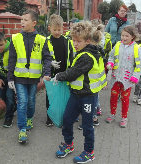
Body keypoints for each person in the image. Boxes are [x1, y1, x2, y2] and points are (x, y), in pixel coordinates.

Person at [52, 21, 106, 163]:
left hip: (88, 97)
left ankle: (89, 152)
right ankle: (69, 144)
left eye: (78, 41)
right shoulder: (82, 52)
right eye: (73, 40)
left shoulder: (86, 56)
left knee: (87, 126)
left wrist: (58, 76)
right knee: (67, 119)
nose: (74, 43)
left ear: (87, 41)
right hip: (76, 94)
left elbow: (73, 73)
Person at [7, 10, 52, 143]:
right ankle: (22, 130)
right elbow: (11, 60)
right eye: (21, 19)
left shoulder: (41, 40)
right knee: (22, 102)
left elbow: (47, 58)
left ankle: (29, 118)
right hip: (19, 78)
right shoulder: (15, 38)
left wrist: (47, 73)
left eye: (25, 20)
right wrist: (10, 78)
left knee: (31, 101)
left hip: (33, 78)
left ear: (34, 23)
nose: (22, 22)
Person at [105, 25, 141, 128]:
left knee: (125, 99)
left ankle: (124, 117)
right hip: (115, 77)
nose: (124, 38)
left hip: (127, 80)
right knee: (113, 97)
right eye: (122, 35)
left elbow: (139, 65)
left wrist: (135, 76)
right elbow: (111, 56)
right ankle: (112, 114)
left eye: (126, 36)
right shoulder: (117, 45)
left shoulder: (136, 48)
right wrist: (110, 63)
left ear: (132, 37)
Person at [45, 14, 74, 127]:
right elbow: (43, 56)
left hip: (64, 73)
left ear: (63, 28)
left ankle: (62, 115)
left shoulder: (67, 41)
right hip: (51, 74)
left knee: (64, 95)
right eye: (54, 29)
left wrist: (70, 71)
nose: (57, 32)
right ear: (49, 28)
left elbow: (71, 56)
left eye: (59, 29)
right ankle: (50, 117)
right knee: (50, 96)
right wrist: (50, 62)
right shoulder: (46, 41)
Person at [77, 24, 107, 130]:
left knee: (91, 103)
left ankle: (92, 120)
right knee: (95, 99)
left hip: (91, 83)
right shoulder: (99, 51)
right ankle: (95, 115)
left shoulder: (92, 52)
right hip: (97, 83)